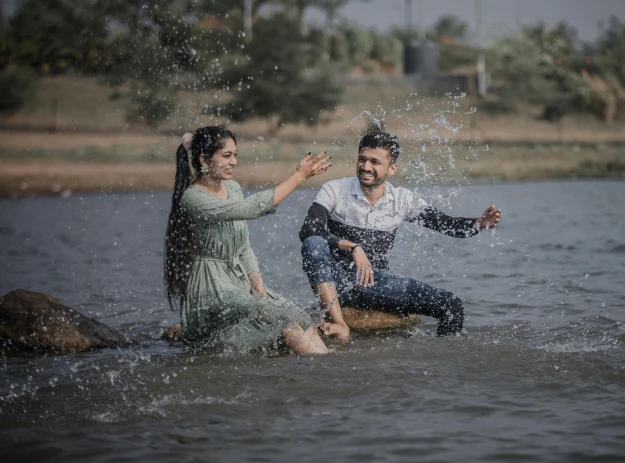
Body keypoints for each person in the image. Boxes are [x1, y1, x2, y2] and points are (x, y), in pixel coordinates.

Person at [299, 132, 502, 341]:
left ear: (391, 168)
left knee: (451, 305)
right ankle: (340, 324)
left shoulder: (402, 200)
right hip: (337, 282)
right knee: (312, 243)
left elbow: (447, 224)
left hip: (376, 284)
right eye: (362, 159)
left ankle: (443, 362)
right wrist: (352, 247)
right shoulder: (335, 189)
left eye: (375, 162)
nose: (366, 167)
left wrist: (478, 223)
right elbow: (309, 230)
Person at [164, 126, 336, 355]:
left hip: (237, 282)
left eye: (235, 155)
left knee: (300, 317)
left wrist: (258, 284)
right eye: (227, 156)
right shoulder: (193, 198)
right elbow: (250, 208)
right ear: (204, 159)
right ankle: (323, 370)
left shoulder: (233, 188)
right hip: (210, 289)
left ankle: (329, 366)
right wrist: (298, 177)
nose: (234, 162)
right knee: (278, 318)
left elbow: (243, 245)